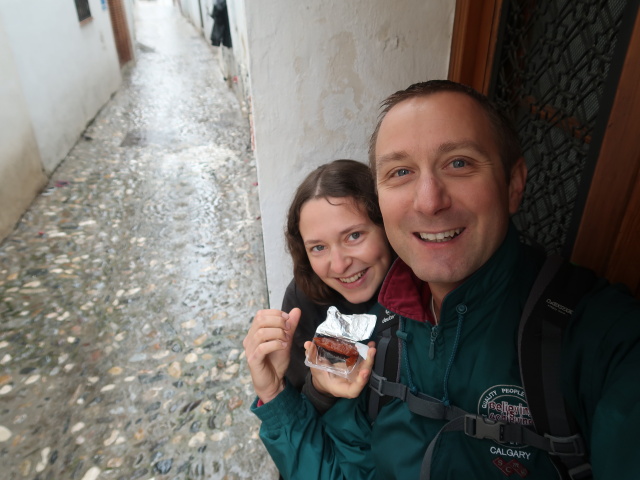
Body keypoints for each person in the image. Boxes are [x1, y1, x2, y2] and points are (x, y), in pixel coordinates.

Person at [250, 80, 640, 480]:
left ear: (514, 183)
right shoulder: (377, 329)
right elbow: (345, 468)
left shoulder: (599, 339)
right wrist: (274, 394)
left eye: (459, 163)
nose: (429, 200)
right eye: (401, 172)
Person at [243, 158, 393, 429]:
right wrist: (313, 389)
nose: (338, 265)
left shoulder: (428, 294)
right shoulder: (304, 299)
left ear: (387, 225)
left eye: (354, 236)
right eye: (318, 248)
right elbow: (303, 419)